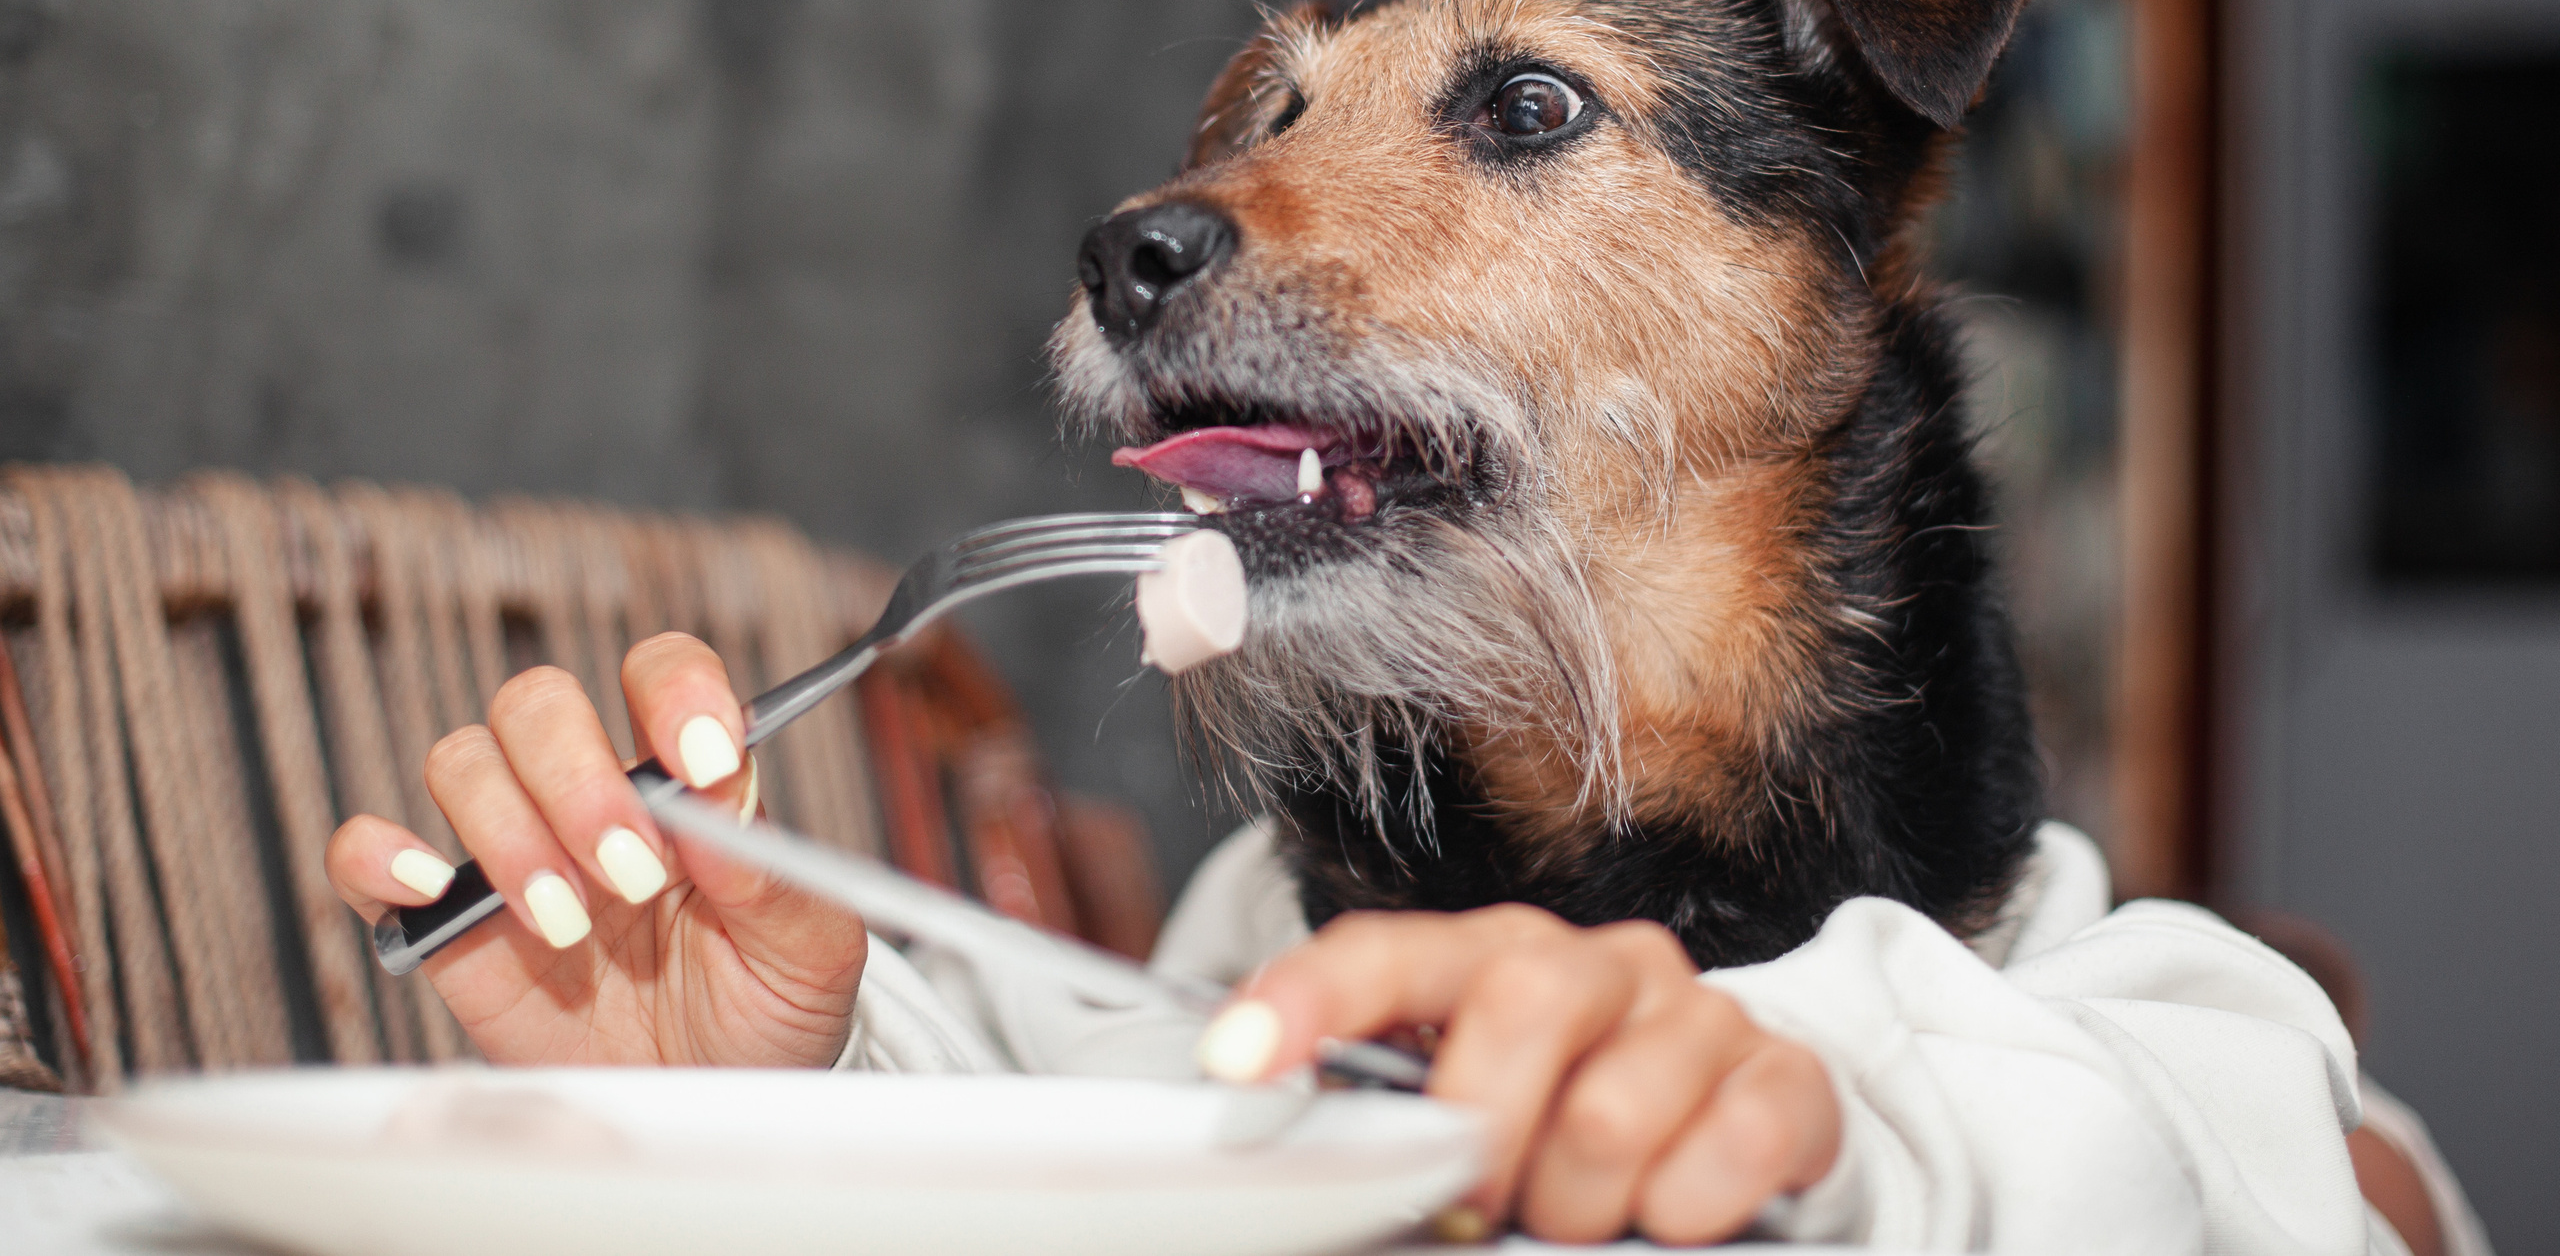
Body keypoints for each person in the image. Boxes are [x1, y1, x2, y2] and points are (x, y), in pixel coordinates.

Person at [327, 634, 2468, 1253]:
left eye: (1524, 118)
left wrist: (1824, 1125)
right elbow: (1106, 1119)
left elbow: (2223, 1147)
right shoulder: (1252, 921)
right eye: (1260, 104)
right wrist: (773, 1115)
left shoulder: (2105, 996)